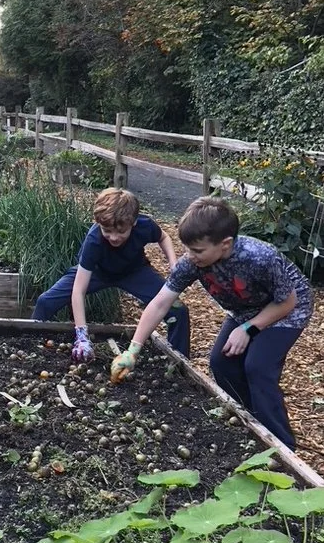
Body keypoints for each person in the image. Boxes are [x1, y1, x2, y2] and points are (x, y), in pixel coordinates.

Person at [111, 196, 313, 450]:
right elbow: (160, 303)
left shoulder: (260, 257)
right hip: (245, 310)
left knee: (258, 367)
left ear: (225, 244)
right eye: (186, 249)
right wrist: (133, 350)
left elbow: (287, 302)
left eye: (197, 251)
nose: (189, 257)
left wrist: (248, 329)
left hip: (288, 309)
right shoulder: (192, 262)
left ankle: (282, 445)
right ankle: (250, 421)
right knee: (221, 363)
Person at [32, 187, 190, 361]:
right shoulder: (94, 240)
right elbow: (78, 291)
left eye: (121, 232)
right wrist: (82, 335)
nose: (114, 237)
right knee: (45, 301)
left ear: (133, 223)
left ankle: (178, 363)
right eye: (107, 231)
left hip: (135, 272)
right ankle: (34, 350)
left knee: (178, 311)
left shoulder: (144, 225)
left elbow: (164, 237)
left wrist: (173, 263)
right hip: (97, 273)